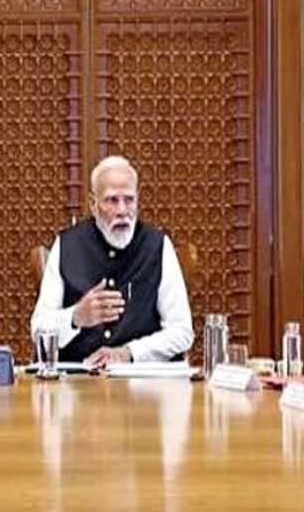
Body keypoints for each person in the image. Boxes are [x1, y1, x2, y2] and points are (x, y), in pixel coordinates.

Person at [29, 155, 194, 366]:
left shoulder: (158, 245)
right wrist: (75, 317)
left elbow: (182, 332)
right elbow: (39, 331)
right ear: (93, 204)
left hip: (141, 381)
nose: (122, 211)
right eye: (112, 200)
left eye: (129, 200)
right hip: (78, 379)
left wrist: (129, 352)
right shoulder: (67, 245)